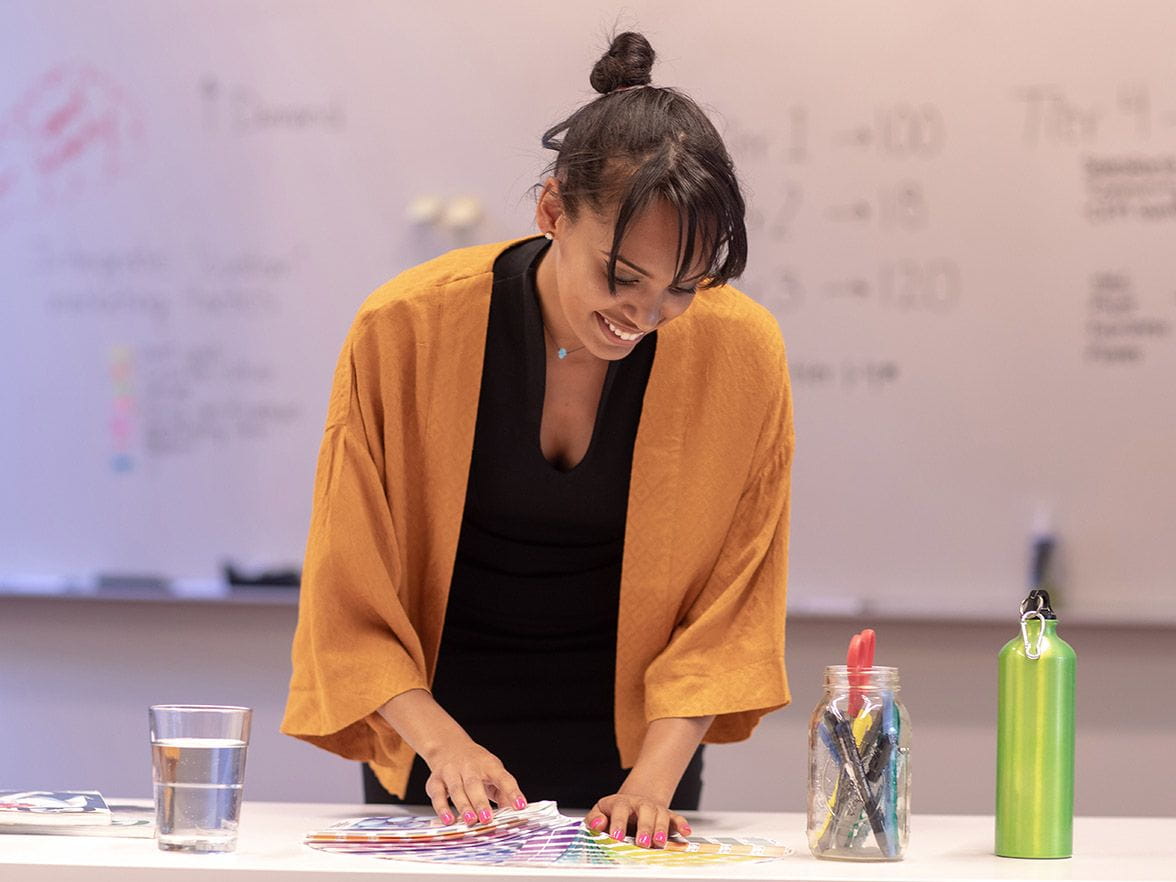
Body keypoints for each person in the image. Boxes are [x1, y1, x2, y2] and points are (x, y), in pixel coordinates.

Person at [281, 31, 794, 850]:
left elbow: (731, 602)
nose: (643, 316)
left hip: (639, 761)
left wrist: (649, 786)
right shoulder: (405, 329)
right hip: (441, 752)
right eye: (622, 277)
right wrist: (443, 748)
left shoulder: (741, 351)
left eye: (683, 289)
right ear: (552, 210)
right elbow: (350, 583)